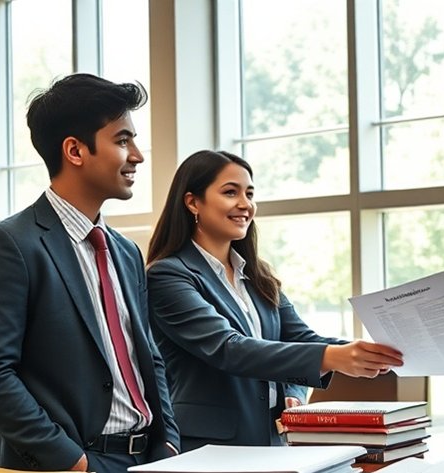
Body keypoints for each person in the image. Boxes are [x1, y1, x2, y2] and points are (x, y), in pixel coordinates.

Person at [0, 74, 180, 473]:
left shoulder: (125, 251)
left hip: (148, 466)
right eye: (122, 140)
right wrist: (74, 461)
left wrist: (168, 443)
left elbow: (146, 356)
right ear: (75, 150)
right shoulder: (8, 244)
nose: (136, 155)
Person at [146, 150, 403, 451]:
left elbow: (300, 338)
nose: (245, 204)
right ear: (193, 202)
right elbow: (229, 348)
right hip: (209, 446)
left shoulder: (257, 274)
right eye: (231, 192)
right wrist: (334, 357)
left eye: (250, 193)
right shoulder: (168, 276)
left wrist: (367, 351)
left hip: (272, 437)